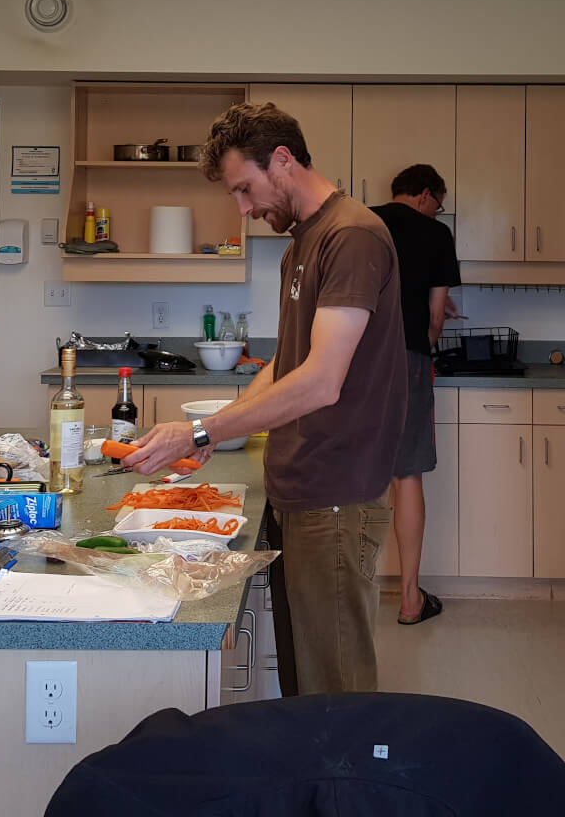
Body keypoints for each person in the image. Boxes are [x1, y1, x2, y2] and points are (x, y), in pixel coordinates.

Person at [127, 101, 406, 694]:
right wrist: (221, 426)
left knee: (336, 690)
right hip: (300, 488)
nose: (244, 208)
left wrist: (202, 430)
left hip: (336, 495)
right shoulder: (301, 244)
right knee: (305, 682)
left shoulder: (351, 235)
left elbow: (321, 380)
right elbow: (287, 362)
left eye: (244, 189)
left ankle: (348, 764)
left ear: (282, 160)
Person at [370, 164, 460, 626]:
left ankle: (350, 598)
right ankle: (410, 600)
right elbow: (435, 319)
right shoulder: (436, 235)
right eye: (438, 205)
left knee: (355, 475)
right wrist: (422, 344)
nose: (437, 213)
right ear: (426, 194)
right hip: (407, 359)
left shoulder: (362, 221)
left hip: (354, 362)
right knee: (406, 475)